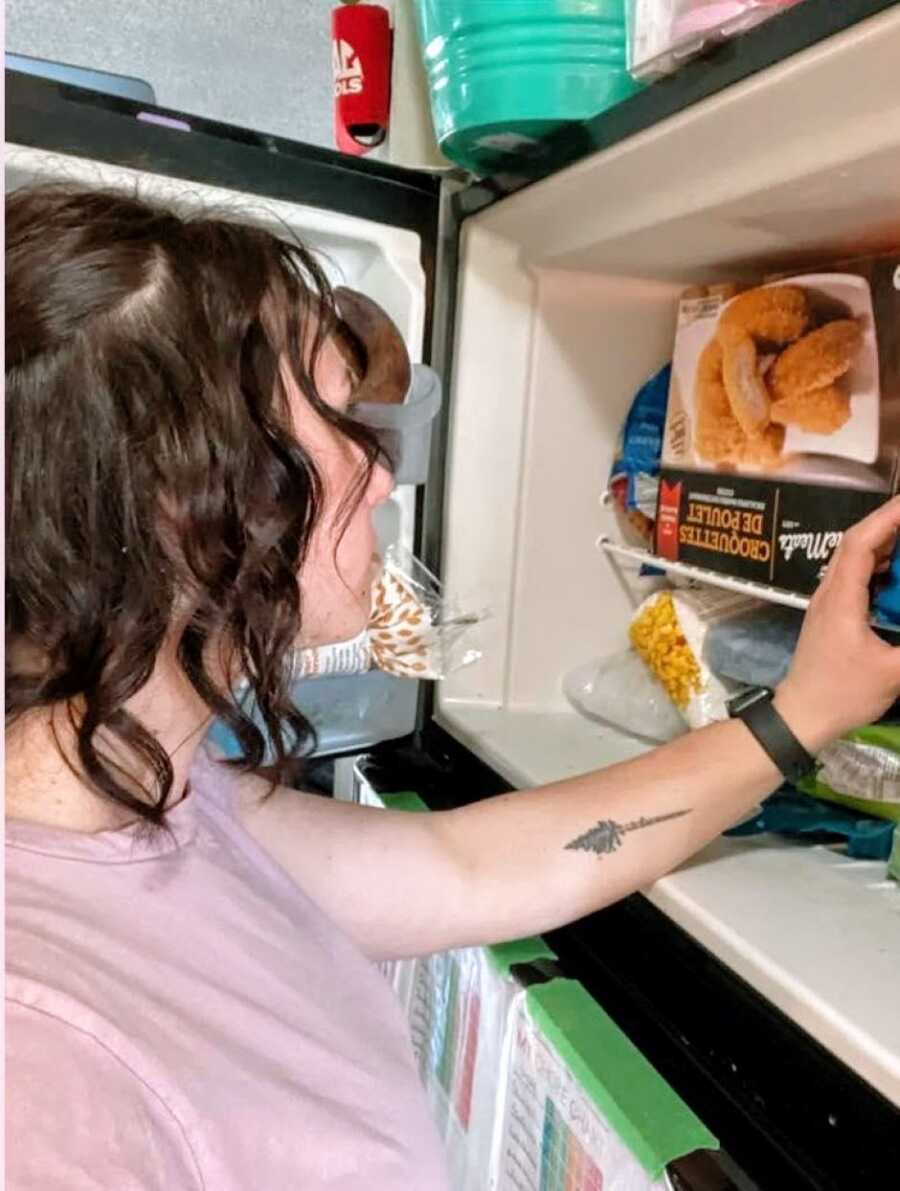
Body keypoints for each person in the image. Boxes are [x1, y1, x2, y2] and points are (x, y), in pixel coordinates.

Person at [6, 184, 900, 1191]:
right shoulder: (36, 1066)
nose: (381, 476)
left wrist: (803, 714)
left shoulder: (156, 786)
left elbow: (468, 865)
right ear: (185, 496)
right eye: (342, 421)